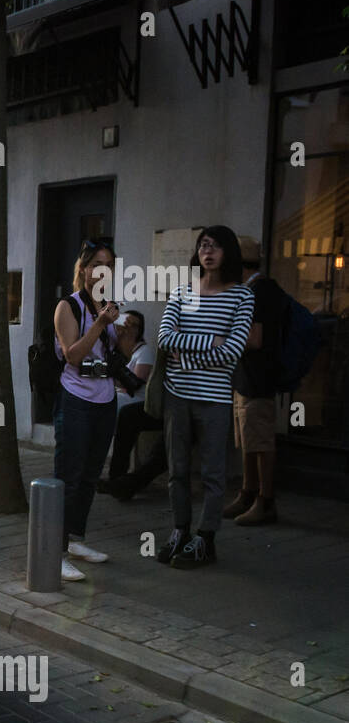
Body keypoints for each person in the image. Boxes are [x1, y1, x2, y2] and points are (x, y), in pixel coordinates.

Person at [156, 226, 255, 569]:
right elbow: (165, 337)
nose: (207, 251)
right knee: (177, 470)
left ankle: (205, 539)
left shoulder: (242, 297)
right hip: (176, 396)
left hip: (214, 399)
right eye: (202, 245)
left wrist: (187, 355)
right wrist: (209, 343)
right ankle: (180, 531)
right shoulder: (182, 293)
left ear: (228, 252)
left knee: (213, 474)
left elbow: (232, 351)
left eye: (214, 246)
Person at [52, 238, 122, 582]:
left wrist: (113, 324)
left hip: (105, 398)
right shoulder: (70, 306)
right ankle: (55, 550)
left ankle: (76, 540)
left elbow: (111, 355)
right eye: (97, 264)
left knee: (91, 474)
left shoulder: (107, 306)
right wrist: (99, 323)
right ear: (84, 269)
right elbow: (73, 356)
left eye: (109, 264)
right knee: (70, 475)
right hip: (76, 397)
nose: (103, 271)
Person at [224, 239, 283, 526]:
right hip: (246, 379)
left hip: (258, 380)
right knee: (247, 440)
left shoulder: (260, 292)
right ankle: (248, 493)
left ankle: (265, 500)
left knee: (259, 442)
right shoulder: (251, 290)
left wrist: (221, 338)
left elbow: (256, 339)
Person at [100, 309, 165, 500]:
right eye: (124, 323)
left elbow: (135, 384)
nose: (127, 328)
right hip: (127, 404)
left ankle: (116, 477)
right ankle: (114, 477)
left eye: (132, 325)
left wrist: (112, 376)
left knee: (117, 412)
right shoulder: (119, 350)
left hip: (144, 405)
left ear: (139, 330)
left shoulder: (144, 352)